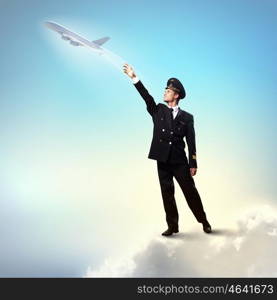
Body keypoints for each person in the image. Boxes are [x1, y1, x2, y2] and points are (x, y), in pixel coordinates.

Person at [123, 63, 212, 236]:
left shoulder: (187, 117)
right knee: (167, 194)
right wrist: (134, 78)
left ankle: (204, 221)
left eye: (168, 90)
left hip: (179, 161)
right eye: (165, 89)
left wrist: (193, 162)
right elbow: (146, 97)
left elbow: (192, 142)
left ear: (176, 95)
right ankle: (173, 226)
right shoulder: (158, 111)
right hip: (162, 159)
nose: (165, 92)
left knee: (190, 192)